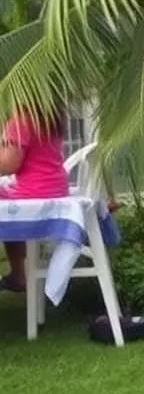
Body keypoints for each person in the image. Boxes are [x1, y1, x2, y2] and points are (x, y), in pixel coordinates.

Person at [0, 109, 69, 291]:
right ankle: (17, 274)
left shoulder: (21, 120)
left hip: (33, 192)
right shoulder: (51, 116)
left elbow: (8, 165)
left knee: (6, 206)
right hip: (54, 188)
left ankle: (18, 273)